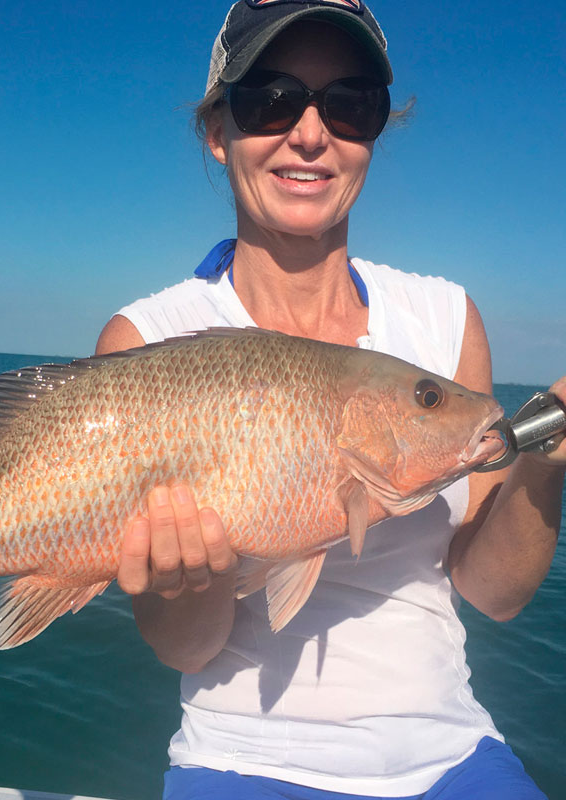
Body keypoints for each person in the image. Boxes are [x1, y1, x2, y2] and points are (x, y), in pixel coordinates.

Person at [96, 2, 565, 797]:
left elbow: (493, 592)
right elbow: (186, 649)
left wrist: (548, 458)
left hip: (452, 752)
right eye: (269, 100)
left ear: (374, 136)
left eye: (350, 104)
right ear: (217, 130)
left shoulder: (446, 318)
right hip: (240, 757)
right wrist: (191, 578)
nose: (311, 133)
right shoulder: (148, 338)